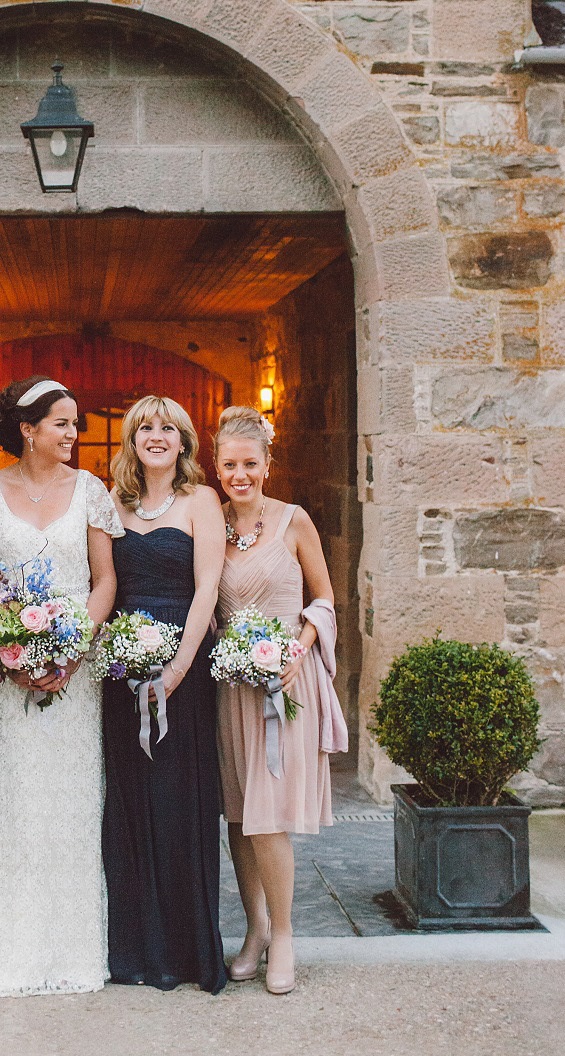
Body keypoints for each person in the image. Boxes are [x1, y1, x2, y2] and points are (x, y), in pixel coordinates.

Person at [0, 376, 122, 996]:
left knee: (72, 806)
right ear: (27, 430)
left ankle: (72, 954)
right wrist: (8, 645)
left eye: (76, 424)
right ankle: (8, 954)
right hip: (7, 679)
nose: (73, 435)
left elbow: (103, 579)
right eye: (63, 424)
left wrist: (73, 644)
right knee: (13, 808)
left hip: (75, 678)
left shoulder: (91, 490)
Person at [214, 405, 348, 995]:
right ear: (216, 467)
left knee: (270, 822)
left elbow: (325, 598)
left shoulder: (295, 522)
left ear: (268, 464)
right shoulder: (209, 522)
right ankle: (255, 929)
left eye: (249, 463)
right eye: (228, 464)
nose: (239, 474)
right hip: (229, 691)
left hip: (286, 687)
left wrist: (298, 649)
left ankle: (286, 934)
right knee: (240, 820)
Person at [103, 395, 227, 992]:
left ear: (184, 443)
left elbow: (207, 587)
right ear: (132, 441)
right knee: (130, 805)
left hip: (186, 666)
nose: (156, 436)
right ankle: (134, 950)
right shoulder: (113, 504)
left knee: (180, 802)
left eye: (167, 428)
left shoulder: (202, 502)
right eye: (144, 428)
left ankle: (186, 951)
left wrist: (178, 667)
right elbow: (102, 582)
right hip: (121, 672)